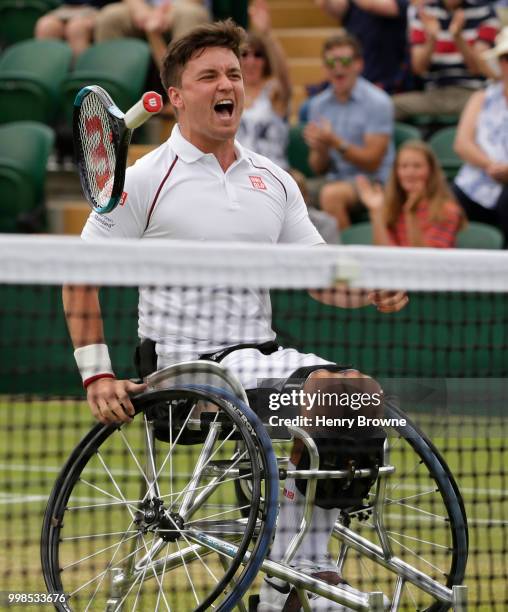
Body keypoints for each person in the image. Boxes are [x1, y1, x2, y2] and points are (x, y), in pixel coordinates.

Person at [62, 20, 407, 610]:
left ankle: (302, 564)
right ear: (175, 97)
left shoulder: (273, 179)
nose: (229, 84)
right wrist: (98, 375)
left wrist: (369, 291)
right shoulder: (141, 179)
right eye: (209, 76)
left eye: (234, 73)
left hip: (259, 362)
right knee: (329, 397)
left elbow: (319, 278)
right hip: (185, 377)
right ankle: (299, 575)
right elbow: (76, 276)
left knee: (358, 395)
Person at [303, 32, 394, 230]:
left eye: (344, 60)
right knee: (288, 189)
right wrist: (320, 148)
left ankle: (346, 259)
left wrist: (333, 140)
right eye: (330, 63)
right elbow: (318, 168)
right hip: (335, 178)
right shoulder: (317, 105)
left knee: (331, 195)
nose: (337, 68)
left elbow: (373, 161)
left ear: (358, 64)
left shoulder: (378, 101)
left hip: (376, 181)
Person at [392, 0, 499, 121]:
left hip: (471, 93)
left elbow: (478, 69)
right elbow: (418, 68)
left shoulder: (485, 12)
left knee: (490, 107)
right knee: (389, 106)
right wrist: (432, 38)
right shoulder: (424, 12)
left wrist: (458, 37)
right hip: (434, 94)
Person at [453, 27, 508, 247]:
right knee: (443, 202)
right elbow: (462, 143)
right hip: (475, 182)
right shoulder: (482, 97)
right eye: (505, 58)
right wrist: (491, 166)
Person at [356, 141, 464, 247]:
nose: (409, 173)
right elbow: (385, 253)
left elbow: (426, 260)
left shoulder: (447, 211)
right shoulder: (392, 208)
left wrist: (411, 214)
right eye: (403, 166)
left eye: (417, 166)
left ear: (431, 171)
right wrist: (376, 213)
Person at [236, 0, 291, 169]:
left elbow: (284, 76)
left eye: (258, 55)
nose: (251, 61)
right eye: (244, 54)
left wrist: (268, 35)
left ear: (266, 60)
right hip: (236, 174)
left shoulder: (274, 92)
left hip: (273, 173)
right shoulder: (227, 91)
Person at [313, 0, 411, 94]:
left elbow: (374, 5)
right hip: (356, 79)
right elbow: (330, 6)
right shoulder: (353, 8)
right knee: (309, 106)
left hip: (386, 80)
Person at [34, 0, 113, 57]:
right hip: (68, 8)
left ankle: (82, 76)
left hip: (99, 8)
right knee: (46, 25)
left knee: (76, 28)